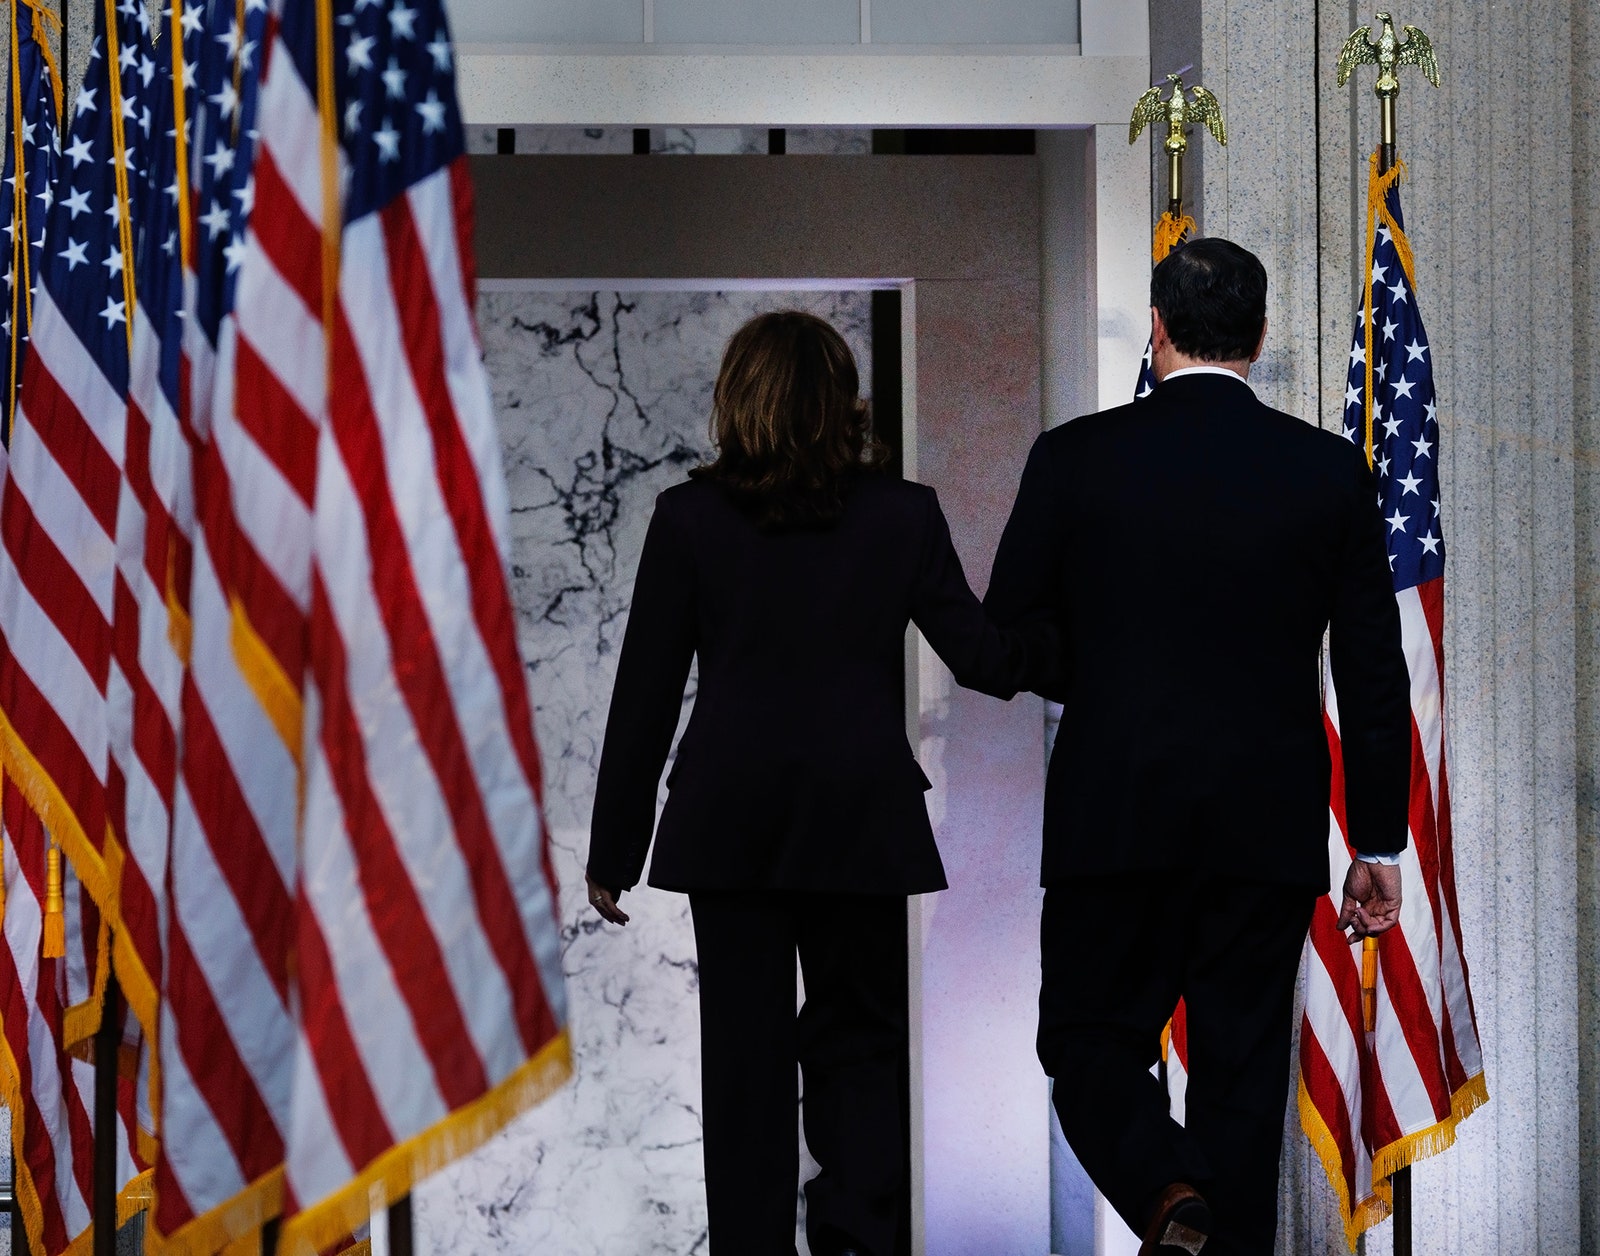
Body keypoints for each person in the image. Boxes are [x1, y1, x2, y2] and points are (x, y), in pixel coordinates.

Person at [584, 310, 1056, 1256]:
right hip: (861, 824)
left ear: (739, 399)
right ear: (844, 402)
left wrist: (613, 853)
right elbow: (985, 657)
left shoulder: (688, 518)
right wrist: (1099, 631)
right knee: (861, 1059)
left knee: (746, 1071)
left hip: (730, 829)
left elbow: (643, 697)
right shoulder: (903, 513)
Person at [984, 237, 1412, 1256]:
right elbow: (1371, 663)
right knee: (1241, 1080)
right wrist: (1379, 839)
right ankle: (1198, 1204)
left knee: (1086, 1045)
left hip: (1112, 814)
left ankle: (1166, 1187)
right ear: (1259, 340)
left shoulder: (1074, 456)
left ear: (1159, 328)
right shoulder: (1324, 472)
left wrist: (1097, 669)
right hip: (1261, 825)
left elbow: (1011, 633)